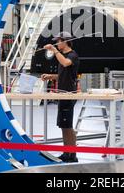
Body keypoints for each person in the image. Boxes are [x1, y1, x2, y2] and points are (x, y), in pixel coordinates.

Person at [41, 31, 80, 163]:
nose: (57, 43)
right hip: (62, 93)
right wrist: (51, 76)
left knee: (68, 126)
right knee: (64, 125)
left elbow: (65, 63)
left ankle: (73, 155)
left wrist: (53, 50)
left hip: (69, 94)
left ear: (65, 41)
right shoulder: (63, 56)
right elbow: (63, 74)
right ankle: (66, 152)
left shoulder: (72, 55)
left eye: (58, 41)